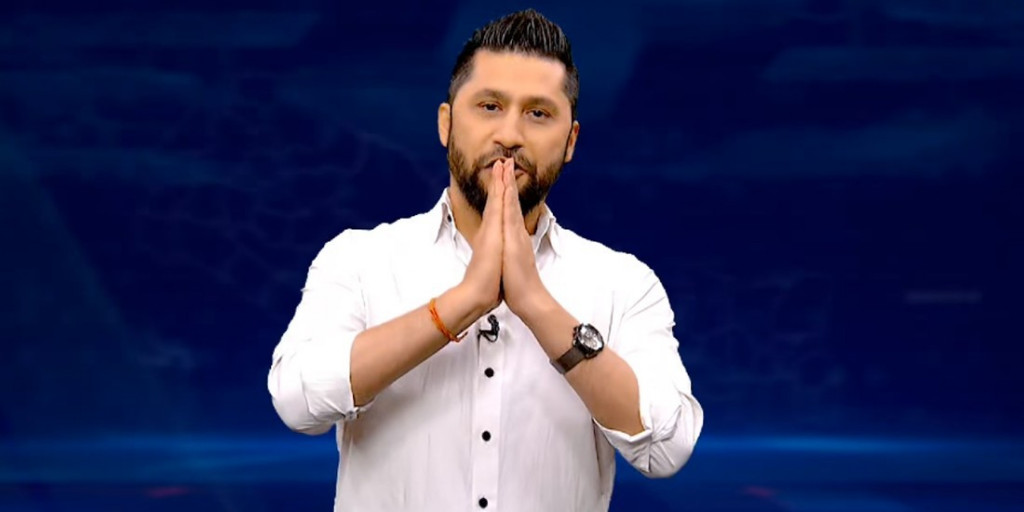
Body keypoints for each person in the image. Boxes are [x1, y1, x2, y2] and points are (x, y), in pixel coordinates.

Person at [267, 8, 703, 511]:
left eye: (538, 113)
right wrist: (462, 303)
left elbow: (666, 448)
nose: (510, 135)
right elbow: (298, 403)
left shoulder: (623, 283)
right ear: (446, 123)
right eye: (490, 106)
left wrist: (537, 305)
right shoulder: (358, 259)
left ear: (570, 142)